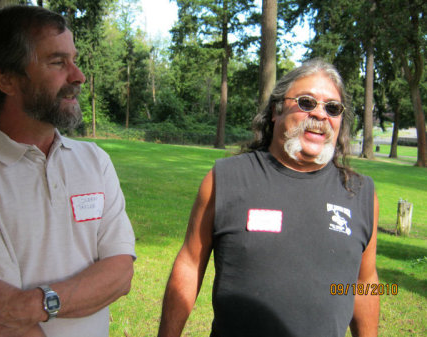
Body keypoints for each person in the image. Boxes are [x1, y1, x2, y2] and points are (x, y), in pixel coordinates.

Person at [158, 59, 379, 337]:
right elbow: (190, 264)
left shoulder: (360, 194)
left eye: (332, 108)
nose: (321, 115)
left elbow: (364, 283)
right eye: (307, 102)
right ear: (276, 110)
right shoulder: (226, 179)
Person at [0, 5, 136, 337]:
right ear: (5, 78)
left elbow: (120, 273)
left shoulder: (94, 160)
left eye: (74, 60)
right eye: (57, 63)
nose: (77, 76)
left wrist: (36, 303)